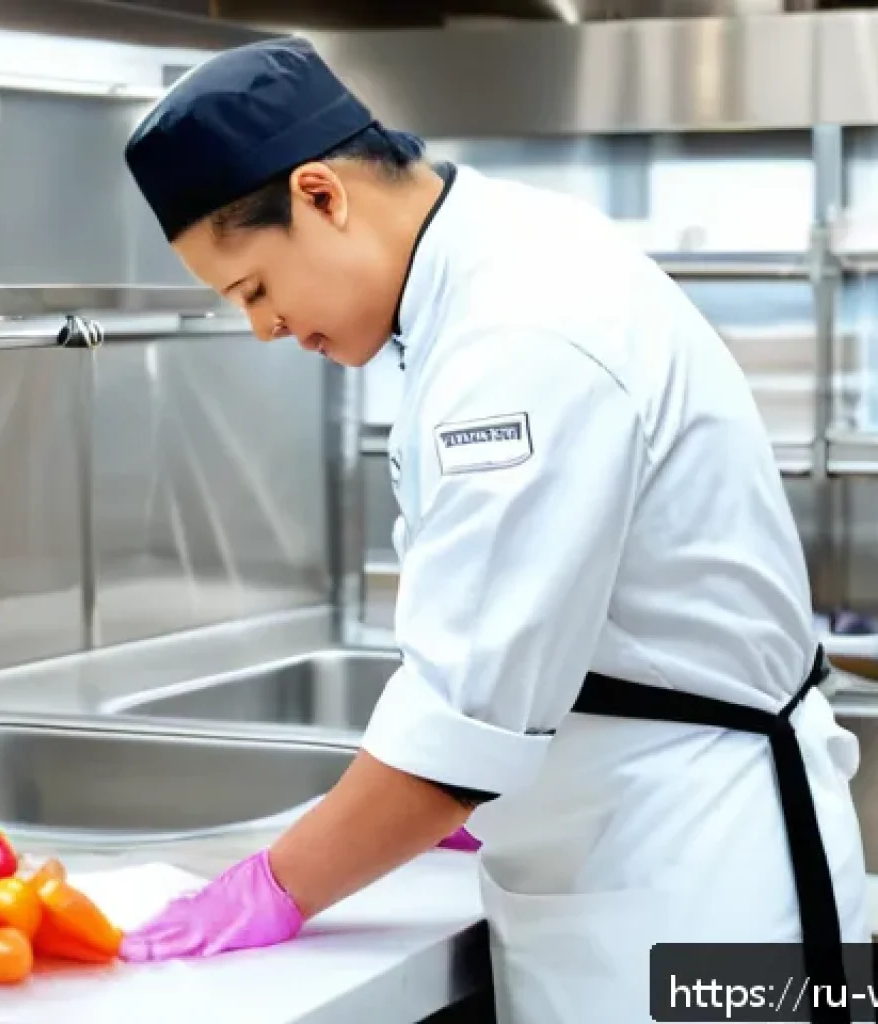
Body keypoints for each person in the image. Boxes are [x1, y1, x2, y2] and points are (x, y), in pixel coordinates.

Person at [119, 35, 868, 1024]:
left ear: (322, 195)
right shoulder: (492, 268)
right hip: (632, 851)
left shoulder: (516, 333)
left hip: (697, 884)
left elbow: (456, 730)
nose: (265, 328)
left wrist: (275, 883)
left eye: (254, 289)